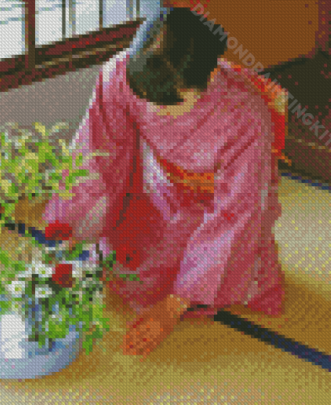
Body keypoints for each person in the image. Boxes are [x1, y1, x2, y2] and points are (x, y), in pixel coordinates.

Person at [42, 8, 290, 359]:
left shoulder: (244, 117)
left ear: (209, 76)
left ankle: (194, 287)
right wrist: (67, 229)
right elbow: (96, 156)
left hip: (219, 210)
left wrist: (171, 308)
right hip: (161, 187)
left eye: (169, 102)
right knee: (126, 262)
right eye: (143, 97)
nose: (151, 110)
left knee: (188, 283)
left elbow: (238, 213)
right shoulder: (118, 74)